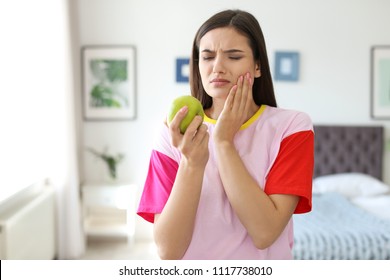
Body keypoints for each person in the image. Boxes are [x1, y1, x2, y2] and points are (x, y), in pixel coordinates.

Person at [137, 9, 314, 260]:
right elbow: (168, 251)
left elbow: (264, 233)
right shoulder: (172, 130)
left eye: (233, 56)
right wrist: (191, 163)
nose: (217, 67)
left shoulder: (292, 126)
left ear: (258, 66)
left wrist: (223, 142)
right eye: (207, 57)